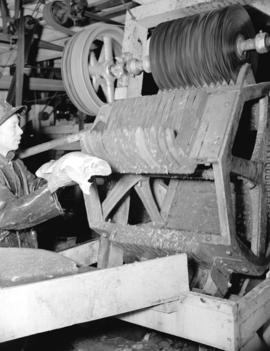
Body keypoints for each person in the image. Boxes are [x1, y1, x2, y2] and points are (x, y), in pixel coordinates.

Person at [0, 100, 71, 248]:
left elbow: (33, 187)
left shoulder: (15, 163)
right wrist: (54, 184)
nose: (20, 131)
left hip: (22, 249)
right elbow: (8, 214)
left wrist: (57, 174)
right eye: (14, 126)